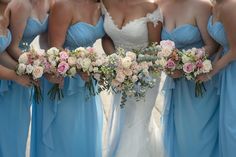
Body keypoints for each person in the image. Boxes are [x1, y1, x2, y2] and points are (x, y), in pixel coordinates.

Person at [30, 0, 104, 156]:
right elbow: (54, 47)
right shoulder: (64, 5)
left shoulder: (102, 5)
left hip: (87, 79)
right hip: (63, 80)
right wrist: (79, 66)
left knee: (84, 133)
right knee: (64, 138)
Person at [101, 0, 164, 156]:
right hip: (120, 73)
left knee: (138, 121)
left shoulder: (151, 9)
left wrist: (136, 69)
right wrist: (117, 62)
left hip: (147, 74)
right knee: (126, 121)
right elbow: (106, 38)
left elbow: (155, 48)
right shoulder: (106, 3)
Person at [159, 0, 220, 157]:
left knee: (199, 132)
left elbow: (213, 45)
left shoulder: (202, 6)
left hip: (200, 81)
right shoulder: (160, 5)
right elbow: (157, 46)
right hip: (177, 83)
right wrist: (166, 64)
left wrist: (186, 63)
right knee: (181, 131)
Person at [0, 0, 49, 156]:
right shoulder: (18, 6)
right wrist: (16, 75)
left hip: (12, 73)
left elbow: (2, 53)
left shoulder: (4, 15)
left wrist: (26, 69)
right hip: (6, 81)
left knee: (15, 131)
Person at [197, 0, 236, 156]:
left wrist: (210, 72)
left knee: (231, 124)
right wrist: (211, 63)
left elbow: (235, 50)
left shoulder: (230, 6)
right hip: (226, 67)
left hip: (233, 68)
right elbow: (223, 42)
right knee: (227, 122)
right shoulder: (215, 5)